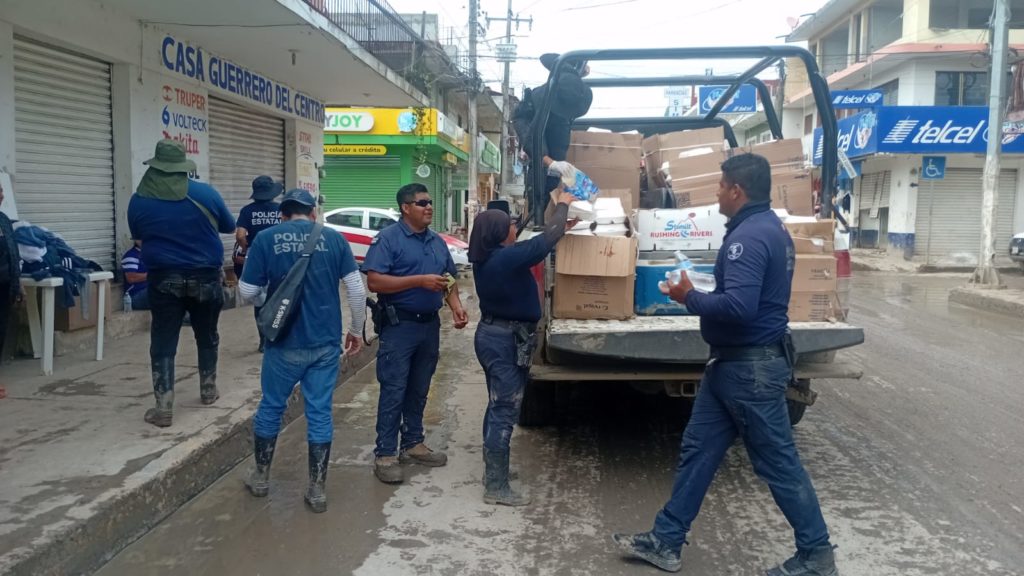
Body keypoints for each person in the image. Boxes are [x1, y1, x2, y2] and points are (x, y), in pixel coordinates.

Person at [612, 154, 839, 576]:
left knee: (778, 464)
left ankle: (816, 555)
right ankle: (666, 540)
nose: (716, 192)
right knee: (697, 452)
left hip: (749, 371)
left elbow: (739, 307)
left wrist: (689, 297)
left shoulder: (747, 239)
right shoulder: (767, 228)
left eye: (720, 185)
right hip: (730, 366)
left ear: (737, 190)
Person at [238, 188, 365, 513]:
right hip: (324, 343)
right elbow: (356, 289)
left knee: (271, 407)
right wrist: (356, 329)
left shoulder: (266, 238)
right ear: (312, 213)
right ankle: (316, 489)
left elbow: (247, 290)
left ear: (282, 215)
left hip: (283, 344)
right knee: (319, 412)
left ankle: (261, 477)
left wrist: (266, 301)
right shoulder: (334, 239)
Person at [469, 188, 576, 506]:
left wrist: (559, 228)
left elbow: (543, 241)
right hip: (504, 340)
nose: (515, 228)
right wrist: (563, 206)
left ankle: (494, 473)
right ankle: (496, 487)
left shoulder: (490, 257)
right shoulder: (504, 259)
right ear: (500, 233)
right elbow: (544, 242)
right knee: (504, 410)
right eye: (511, 225)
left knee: (496, 404)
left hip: (494, 336)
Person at [363, 183, 469, 484]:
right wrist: (418, 281)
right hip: (399, 326)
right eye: (422, 203)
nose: (429, 207)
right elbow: (375, 282)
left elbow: (448, 278)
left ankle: (413, 443)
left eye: (430, 201)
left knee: (420, 387)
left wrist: (456, 306)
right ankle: (385, 454)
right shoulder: (388, 239)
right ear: (406, 207)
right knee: (394, 388)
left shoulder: (436, 241)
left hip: (429, 326)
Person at [127, 139, 236, 428]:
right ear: (183, 166)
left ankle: (163, 407)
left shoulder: (139, 199)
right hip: (205, 277)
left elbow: (138, 234)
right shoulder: (205, 193)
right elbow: (229, 225)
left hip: (163, 278)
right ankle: (208, 390)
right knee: (207, 334)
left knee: (163, 340)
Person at [511, 52, 593, 193]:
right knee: (541, 185)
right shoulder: (540, 100)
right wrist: (551, 163)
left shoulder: (571, 93)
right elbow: (532, 138)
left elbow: (559, 145)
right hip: (539, 167)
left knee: (559, 183)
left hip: (556, 163)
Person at [234, 175, 282, 352]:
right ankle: (276, 336)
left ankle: (263, 340)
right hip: (279, 256)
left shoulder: (247, 211)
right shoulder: (281, 209)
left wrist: (248, 249)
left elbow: (240, 235)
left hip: (257, 258)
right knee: (280, 295)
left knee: (259, 298)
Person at [0, 181, 23, 401]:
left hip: (5, 286)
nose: (1, 195)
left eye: (1, 190)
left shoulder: (4, 220)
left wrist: (18, 284)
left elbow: (13, 254)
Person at [120, 240, 150, 310]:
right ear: (136, 240)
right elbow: (131, 278)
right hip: (135, 296)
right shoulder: (131, 255)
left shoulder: (151, 254)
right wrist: (154, 275)